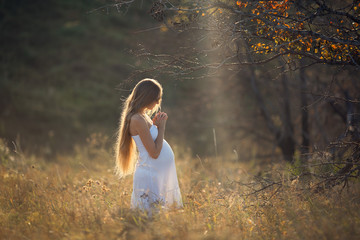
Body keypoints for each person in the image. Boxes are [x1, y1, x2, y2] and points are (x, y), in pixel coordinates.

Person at [114, 78, 183, 214]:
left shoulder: (143, 116)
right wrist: (161, 128)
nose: (158, 102)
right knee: (149, 217)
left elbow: (152, 142)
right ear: (146, 97)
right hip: (150, 174)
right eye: (156, 98)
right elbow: (154, 153)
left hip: (156, 173)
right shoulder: (137, 119)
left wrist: (155, 126)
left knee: (161, 216)